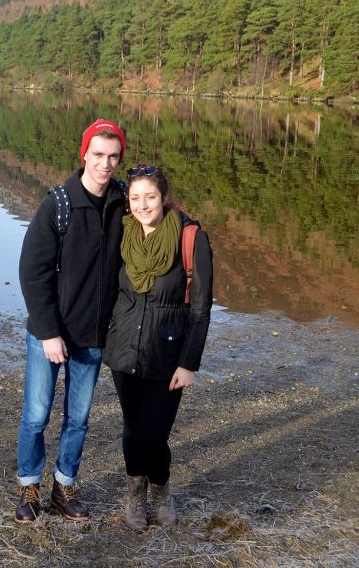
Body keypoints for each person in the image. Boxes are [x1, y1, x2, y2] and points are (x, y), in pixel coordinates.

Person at [14, 118, 128, 523]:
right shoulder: (58, 204)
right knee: (36, 415)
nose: (105, 163)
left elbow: (158, 219)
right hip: (50, 334)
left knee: (78, 420)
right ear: (84, 154)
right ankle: (29, 488)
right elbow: (32, 271)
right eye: (98, 155)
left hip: (92, 337)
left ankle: (64, 488)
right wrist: (47, 332)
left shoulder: (122, 202)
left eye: (113, 156)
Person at [103, 164, 213, 529]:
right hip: (124, 349)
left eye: (150, 197)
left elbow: (199, 308)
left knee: (156, 431)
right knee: (133, 427)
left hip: (167, 353)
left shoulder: (190, 236)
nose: (142, 205)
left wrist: (188, 363)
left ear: (164, 198)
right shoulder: (122, 233)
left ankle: (160, 488)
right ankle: (136, 490)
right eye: (135, 198)